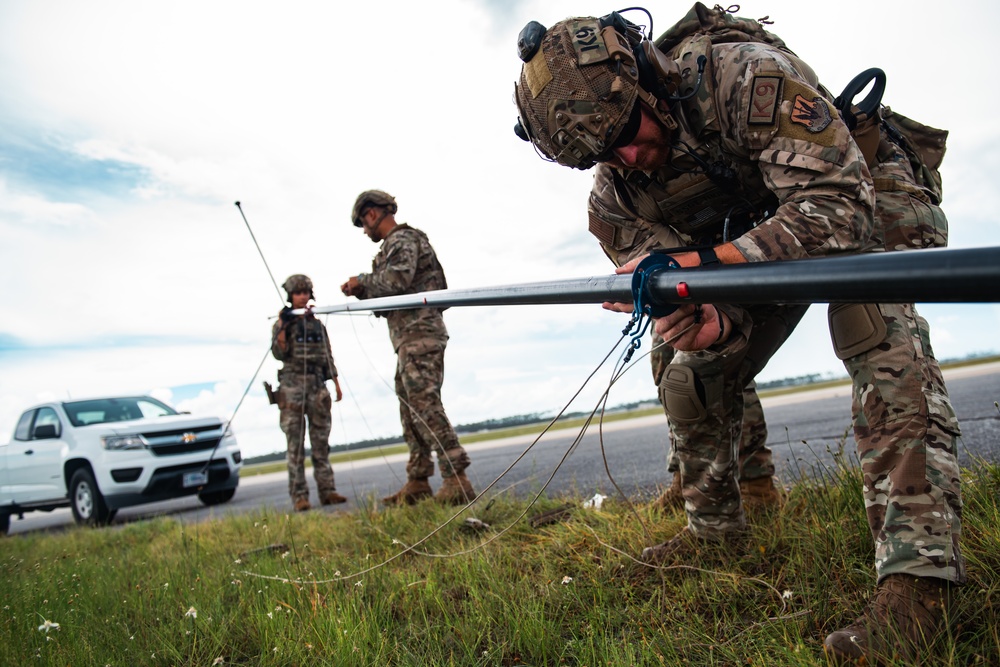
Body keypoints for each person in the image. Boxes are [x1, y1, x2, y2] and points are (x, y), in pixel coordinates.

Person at [512, 5, 962, 663]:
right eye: (604, 154)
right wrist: (706, 315)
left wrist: (701, 268)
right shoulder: (615, 200)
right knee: (686, 368)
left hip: (859, 189)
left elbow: (838, 208)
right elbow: (685, 292)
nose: (629, 156)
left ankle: (919, 581)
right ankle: (715, 531)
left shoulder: (741, 77)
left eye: (628, 131)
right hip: (753, 239)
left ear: (647, 77)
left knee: (873, 321)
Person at [340, 190, 476, 506]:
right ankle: (418, 480)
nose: (365, 231)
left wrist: (362, 282)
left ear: (372, 214)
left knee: (424, 404)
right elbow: (393, 293)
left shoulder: (402, 241)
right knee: (409, 407)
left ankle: (457, 479)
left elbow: (397, 280)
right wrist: (364, 292)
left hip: (420, 335)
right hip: (408, 337)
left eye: (363, 223)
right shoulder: (398, 243)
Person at [271, 274, 347, 512]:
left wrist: (335, 382)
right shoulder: (283, 322)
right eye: (298, 293)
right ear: (291, 295)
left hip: (317, 386)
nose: (302, 297)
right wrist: (284, 324)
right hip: (292, 387)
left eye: (305, 292)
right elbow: (278, 353)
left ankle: (327, 491)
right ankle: (299, 496)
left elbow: (328, 354)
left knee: (321, 443)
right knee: (295, 445)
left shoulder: (317, 325)